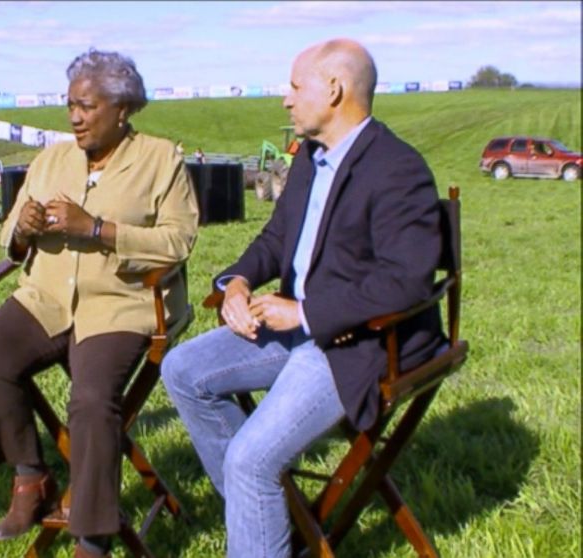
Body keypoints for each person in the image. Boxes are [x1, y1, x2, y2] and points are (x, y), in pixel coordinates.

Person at [161, 38, 445, 558]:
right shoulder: (312, 159)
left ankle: (258, 510)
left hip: (360, 343)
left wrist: (307, 312)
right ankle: (267, 520)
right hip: (301, 328)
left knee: (250, 459)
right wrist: (238, 282)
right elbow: (275, 238)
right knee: (183, 369)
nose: (285, 100)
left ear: (334, 90)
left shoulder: (397, 168)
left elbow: (408, 280)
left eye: (295, 86)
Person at [0, 48, 198, 558]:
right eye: (70, 104)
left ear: (122, 108)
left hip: (119, 303)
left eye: (87, 107)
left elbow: (179, 241)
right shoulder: (52, 158)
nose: (74, 117)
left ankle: (92, 537)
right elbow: (10, 229)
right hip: (46, 297)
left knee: (91, 401)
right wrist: (21, 232)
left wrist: (96, 230)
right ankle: (31, 477)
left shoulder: (161, 160)